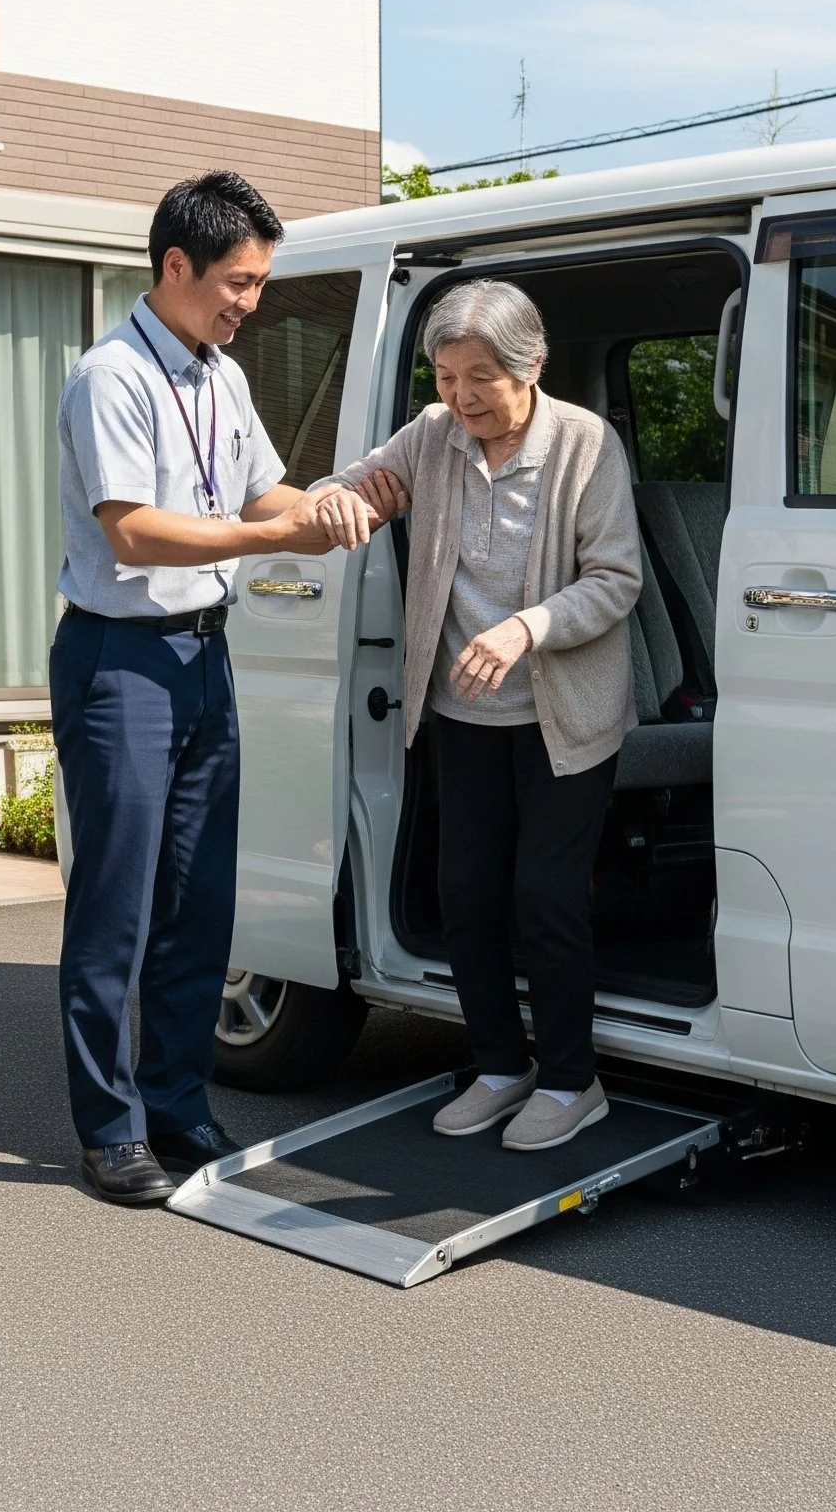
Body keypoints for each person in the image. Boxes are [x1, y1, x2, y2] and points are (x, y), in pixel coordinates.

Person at [52, 170, 374, 1206]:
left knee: (199, 902)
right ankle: (109, 1130)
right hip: (121, 656)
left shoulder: (218, 375)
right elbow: (134, 529)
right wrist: (277, 532)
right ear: (174, 264)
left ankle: (178, 1104)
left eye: (259, 283)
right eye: (236, 281)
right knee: (117, 908)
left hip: (202, 652)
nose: (248, 302)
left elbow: (258, 489)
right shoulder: (113, 377)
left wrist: (329, 500)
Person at [312, 278, 641, 1151]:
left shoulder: (585, 445)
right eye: (447, 378)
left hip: (563, 715)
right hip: (462, 712)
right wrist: (340, 497)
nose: (461, 399)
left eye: (480, 378)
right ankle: (502, 1064)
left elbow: (617, 579)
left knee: (546, 897)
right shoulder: (434, 436)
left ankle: (573, 1080)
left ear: (531, 367)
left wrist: (528, 628)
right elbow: (349, 484)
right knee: (464, 893)